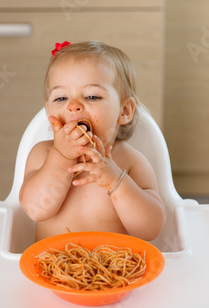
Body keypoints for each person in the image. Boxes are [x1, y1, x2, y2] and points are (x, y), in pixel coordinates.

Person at [19, 41, 166, 241]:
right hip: (53, 266)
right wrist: (61, 157)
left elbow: (150, 230)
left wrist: (116, 182)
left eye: (91, 96)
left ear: (124, 111)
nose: (73, 106)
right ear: (48, 111)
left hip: (114, 268)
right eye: (61, 98)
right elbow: (36, 210)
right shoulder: (42, 154)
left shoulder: (130, 162)